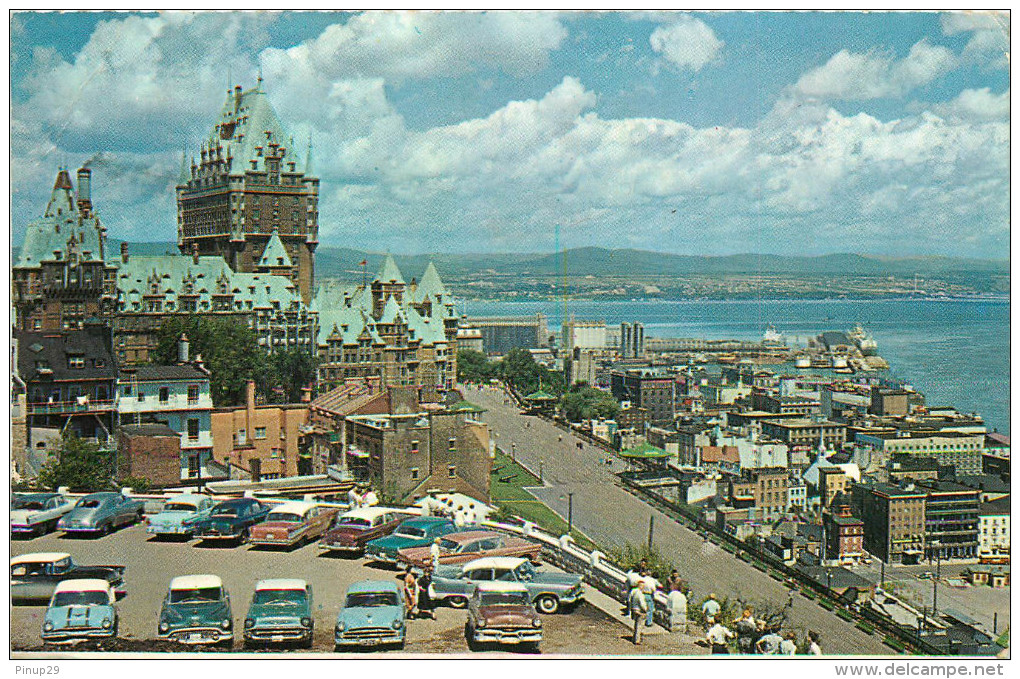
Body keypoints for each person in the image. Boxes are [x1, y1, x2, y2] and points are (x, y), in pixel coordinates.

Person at [628, 581, 648, 645]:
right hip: (639, 610)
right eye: (643, 586)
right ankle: (637, 640)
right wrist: (645, 610)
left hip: (634, 609)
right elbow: (642, 604)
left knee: (636, 624)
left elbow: (629, 599)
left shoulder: (633, 591)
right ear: (640, 586)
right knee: (640, 625)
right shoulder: (640, 594)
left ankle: (634, 637)